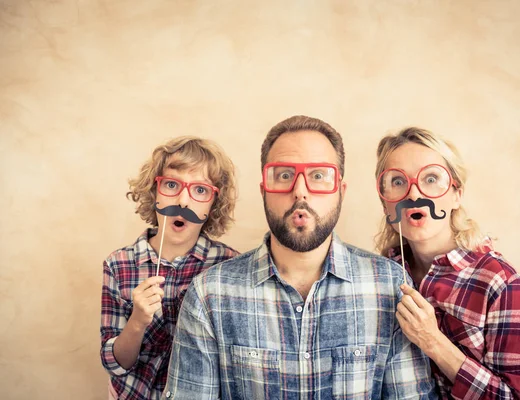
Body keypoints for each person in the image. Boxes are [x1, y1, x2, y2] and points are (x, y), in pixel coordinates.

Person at [162, 116, 437, 399]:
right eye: (283, 175)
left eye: (318, 176)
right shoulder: (210, 295)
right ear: (264, 191)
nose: (300, 191)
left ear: (341, 192)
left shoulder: (391, 287)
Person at [374, 127, 520, 399]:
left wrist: (434, 342)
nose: (414, 193)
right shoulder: (379, 275)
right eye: (397, 181)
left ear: (456, 194)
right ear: (385, 203)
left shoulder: (501, 284)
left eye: (431, 178)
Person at [100, 136, 239, 399]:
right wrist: (138, 320)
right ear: (154, 192)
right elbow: (116, 364)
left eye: (200, 190)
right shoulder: (118, 265)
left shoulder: (229, 267)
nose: (184, 202)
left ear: (213, 204)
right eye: (172, 184)